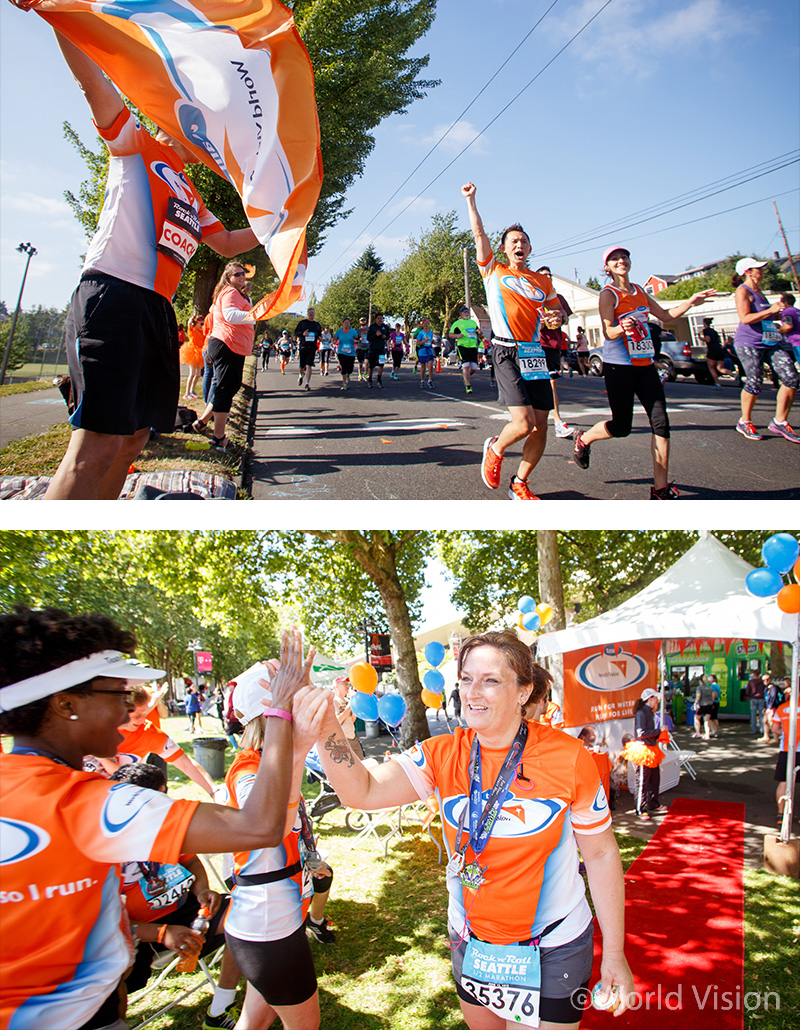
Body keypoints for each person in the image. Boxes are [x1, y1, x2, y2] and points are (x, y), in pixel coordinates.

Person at [0, 608, 322, 1030]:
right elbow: (258, 827)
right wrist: (281, 711)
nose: (129, 713)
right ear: (65, 704)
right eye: (119, 695)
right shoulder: (88, 802)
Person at [305, 630, 634, 1029]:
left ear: (523, 691)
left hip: (554, 942)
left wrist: (614, 953)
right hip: (472, 940)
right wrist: (324, 725)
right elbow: (362, 791)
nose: (472, 692)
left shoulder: (569, 757)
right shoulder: (441, 753)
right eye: (465, 679)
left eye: (490, 680)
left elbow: (599, 854)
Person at [42, 34, 259, 500]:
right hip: (113, 294)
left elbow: (224, 242)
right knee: (96, 445)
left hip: (158, 312)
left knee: (136, 437)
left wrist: (285, 225)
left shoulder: (191, 190)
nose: (203, 135)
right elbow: (92, 83)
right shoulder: (133, 140)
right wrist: (54, 12)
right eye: (195, 122)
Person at [222, 672, 335, 1030]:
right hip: (268, 922)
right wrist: (299, 749)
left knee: (255, 1020)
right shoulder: (250, 772)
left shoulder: (269, 765)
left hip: (277, 918)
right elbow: (268, 827)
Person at [573, 245, 716, 499]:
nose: (621, 261)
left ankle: (660, 490)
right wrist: (622, 326)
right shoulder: (608, 294)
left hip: (646, 366)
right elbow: (608, 332)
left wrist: (691, 302)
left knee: (661, 424)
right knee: (621, 427)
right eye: (614, 259)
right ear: (607, 267)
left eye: (624, 257)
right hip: (620, 368)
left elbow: (665, 314)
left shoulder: (639, 290)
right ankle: (584, 439)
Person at [112, 763, 242, 1030]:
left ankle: (220, 1008)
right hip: (138, 935)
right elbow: (106, 924)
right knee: (110, 974)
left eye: (165, 793)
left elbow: (192, 863)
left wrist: (203, 890)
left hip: (188, 913)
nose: (165, 803)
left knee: (249, 915)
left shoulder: (164, 828)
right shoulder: (106, 848)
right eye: (157, 798)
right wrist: (161, 933)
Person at [462, 182, 560, 501]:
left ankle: (519, 483)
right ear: (504, 248)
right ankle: (496, 447)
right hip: (504, 350)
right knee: (523, 422)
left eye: (524, 241)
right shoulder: (494, 269)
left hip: (533, 354)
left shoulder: (543, 281)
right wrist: (471, 201)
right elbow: (478, 235)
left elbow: (557, 311)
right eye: (514, 241)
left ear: (530, 249)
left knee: (541, 425)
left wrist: (555, 318)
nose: (519, 245)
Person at [85, 684, 217, 794]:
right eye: (138, 715)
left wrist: (214, 792)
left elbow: (186, 763)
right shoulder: (87, 729)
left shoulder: (148, 732)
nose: (143, 719)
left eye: (145, 713)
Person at [732, 258, 799, 442]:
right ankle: (744, 421)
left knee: (791, 376)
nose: (762, 270)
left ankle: (780, 421)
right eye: (758, 268)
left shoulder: (760, 292)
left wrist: (776, 312)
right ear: (748, 271)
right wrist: (770, 310)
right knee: (755, 382)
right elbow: (745, 318)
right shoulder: (742, 291)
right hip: (749, 342)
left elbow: (764, 315)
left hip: (769, 341)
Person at [191, 262, 255, 450]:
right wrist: (255, 314)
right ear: (229, 278)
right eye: (237, 274)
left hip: (232, 346)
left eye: (243, 273)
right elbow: (230, 315)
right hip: (226, 345)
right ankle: (218, 438)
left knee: (228, 386)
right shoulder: (230, 292)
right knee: (225, 388)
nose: (242, 276)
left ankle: (202, 422)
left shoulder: (238, 293)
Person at [535, 266, 575, 438]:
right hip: (534, 345)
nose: (547, 277)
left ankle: (557, 421)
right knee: (536, 385)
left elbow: (566, 317)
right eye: (543, 275)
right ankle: (535, 420)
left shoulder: (558, 298)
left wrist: (559, 318)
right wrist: (539, 324)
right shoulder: (534, 297)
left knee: (552, 384)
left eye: (549, 275)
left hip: (553, 345)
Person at [631, 688, 667, 820]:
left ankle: (653, 803)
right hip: (644, 749)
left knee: (654, 778)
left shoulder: (649, 713)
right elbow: (641, 733)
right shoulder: (641, 713)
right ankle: (640, 808)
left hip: (651, 749)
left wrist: (659, 733)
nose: (657, 701)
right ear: (650, 699)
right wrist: (658, 731)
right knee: (642, 780)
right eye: (655, 698)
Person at [771, 694, 800, 829]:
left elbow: (774, 729)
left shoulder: (782, 707)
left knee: (784, 781)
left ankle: (780, 814)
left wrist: (785, 734)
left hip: (787, 748)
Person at [450, 305, 481, 394]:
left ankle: (465, 376)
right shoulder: (457, 323)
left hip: (473, 346)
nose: (466, 313)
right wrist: (457, 336)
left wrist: (479, 332)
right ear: (461, 314)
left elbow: (478, 331)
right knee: (466, 365)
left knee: (474, 367)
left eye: (467, 312)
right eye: (465, 312)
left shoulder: (473, 322)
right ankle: (468, 386)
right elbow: (450, 334)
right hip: (462, 346)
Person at [332, 676, 365, 760]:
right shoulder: (334, 701)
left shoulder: (347, 701)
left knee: (361, 763)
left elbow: (352, 720)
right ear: (337, 687)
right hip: (342, 739)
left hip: (353, 737)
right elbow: (337, 721)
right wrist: (350, 704)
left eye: (348, 684)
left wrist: (355, 705)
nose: (348, 687)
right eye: (344, 684)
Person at [296, 307, 322, 392]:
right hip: (303, 347)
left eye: (312, 312)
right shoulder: (302, 323)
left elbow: (319, 334)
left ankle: (307, 383)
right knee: (302, 366)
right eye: (310, 312)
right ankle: (300, 375)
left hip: (312, 348)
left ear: (314, 314)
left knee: (309, 365)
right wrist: (303, 334)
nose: (311, 314)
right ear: (308, 313)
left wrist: (319, 337)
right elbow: (296, 332)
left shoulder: (317, 325)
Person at [182, 316, 206, 399]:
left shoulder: (201, 331)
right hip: (192, 352)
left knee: (198, 374)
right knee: (192, 373)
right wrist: (191, 320)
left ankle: (192, 391)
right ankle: (186, 392)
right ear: (196, 323)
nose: (201, 325)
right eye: (200, 323)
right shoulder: (192, 330)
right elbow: (189, 325)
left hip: (199, 352)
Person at [366, 313, 391, 388]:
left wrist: (385, 337)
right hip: (372, 349)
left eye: (381, 319)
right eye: (378, 319)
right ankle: (370, 380)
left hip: (381, 349)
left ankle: (379, 379)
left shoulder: (385, 327)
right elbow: (368, 338)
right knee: (371, 366)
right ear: (376, 319)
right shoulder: (372, 327)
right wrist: (375, 335)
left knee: (381, 365)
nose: (380, 320)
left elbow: (388, 337)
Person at [334, 317, 359, 391]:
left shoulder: (353, 331)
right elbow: (335, 338)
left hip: (351, 353)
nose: (346, 324)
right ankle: (344, 383)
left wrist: (356, 341)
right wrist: (334, 341)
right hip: (341, 352)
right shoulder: (339, 331)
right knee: (343, 367)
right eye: (345, 322)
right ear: (343, 323)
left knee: (350, 368)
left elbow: (358, 338)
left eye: (348, 323)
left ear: (349, 324)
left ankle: (348, 374)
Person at [700, 317, 725, 389]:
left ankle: (717, 383)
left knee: (711, 368)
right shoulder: (714, 331)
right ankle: (734, 375)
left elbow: (708, 340)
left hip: (712, 350)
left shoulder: (706, 330)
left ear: (704, 323)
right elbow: (719, 339)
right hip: (719, 349)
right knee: (720, 368)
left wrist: (701, 338)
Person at [778, 292, 800, 364]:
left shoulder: (787, 312)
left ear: (786, 302)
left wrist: (779, 331)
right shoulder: (798, 311)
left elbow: (788, 326)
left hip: (797, 342)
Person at [414, 318, 435, 389]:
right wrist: (424, 340)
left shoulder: (431, 332)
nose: (426, 325)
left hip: (429, 349)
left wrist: (433, 341)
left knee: (431, 365)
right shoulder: (421, 333)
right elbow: (417, 343)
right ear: (422, 325)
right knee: (423, 367)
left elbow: (431, 341)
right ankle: (422, 381)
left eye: (427, 323)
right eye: (424, 323)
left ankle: (430, 380)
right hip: (422, 350)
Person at [745, 670, 766, 735]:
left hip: (753, 698)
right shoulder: (762, 682)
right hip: (761, 698)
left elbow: (747, 691)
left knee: (753, 715)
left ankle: (753, 729)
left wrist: (749, 695)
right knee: (761, 715)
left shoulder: (751, 682)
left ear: (754, 674)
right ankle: (762, 729)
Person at [356, 317, 370, 381]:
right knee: (360, 363)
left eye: (364, 320)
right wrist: (359, 339)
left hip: (367, 347)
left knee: (367, 361)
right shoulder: (357, 331)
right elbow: (355, 339)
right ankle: (359, 374)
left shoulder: (369, 329)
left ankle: (365, 374)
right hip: (360, 347)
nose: (363, 321)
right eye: (361, 320)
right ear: (359, 322)